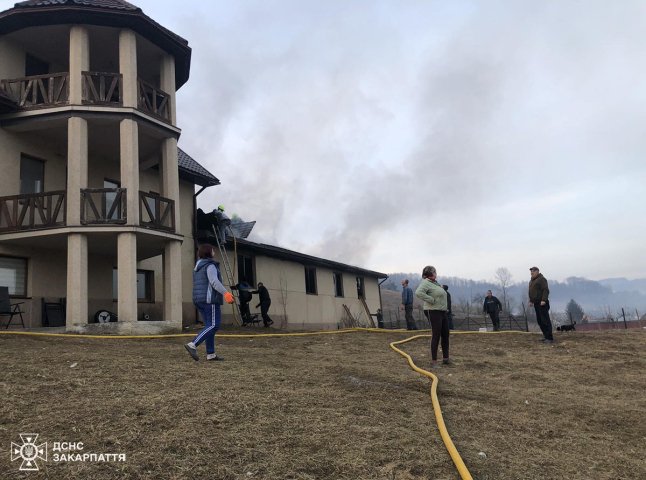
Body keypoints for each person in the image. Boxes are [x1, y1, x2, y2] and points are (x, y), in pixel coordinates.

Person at [184, 244, 234, 361]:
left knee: (208, 326)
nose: (214, 251)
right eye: (212, 250)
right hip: (209, 300)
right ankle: (193, 344)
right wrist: (225, 293)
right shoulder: (210, 265)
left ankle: (211, 354)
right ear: (208, 252)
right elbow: (214, 282)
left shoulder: (198, 266)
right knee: (213, 325)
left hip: (199, 299)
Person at [415, 265, 450, 366]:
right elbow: (418, 292)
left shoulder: (435, 283)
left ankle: (446, 359)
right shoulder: (426, 282)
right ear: (430, 273)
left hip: (442, 311)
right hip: (433, 311)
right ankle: (434, 361)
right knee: (436, 335)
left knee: (445, 334)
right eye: (434, 272)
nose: (436, 273)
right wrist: (431, 300)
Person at [528, 266, 554, 343]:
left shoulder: (542, 279)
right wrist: (531, 301)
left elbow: (545, 290)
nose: (531, 273)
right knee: (540, 321)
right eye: (531, 271)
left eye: (533, 271)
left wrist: (543, 300)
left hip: (542, 303)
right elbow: (532, 292)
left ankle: (549, 338)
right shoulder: (531, 281)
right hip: (536, 303)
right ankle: (546, 336)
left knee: (545, 320)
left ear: (537, 271)